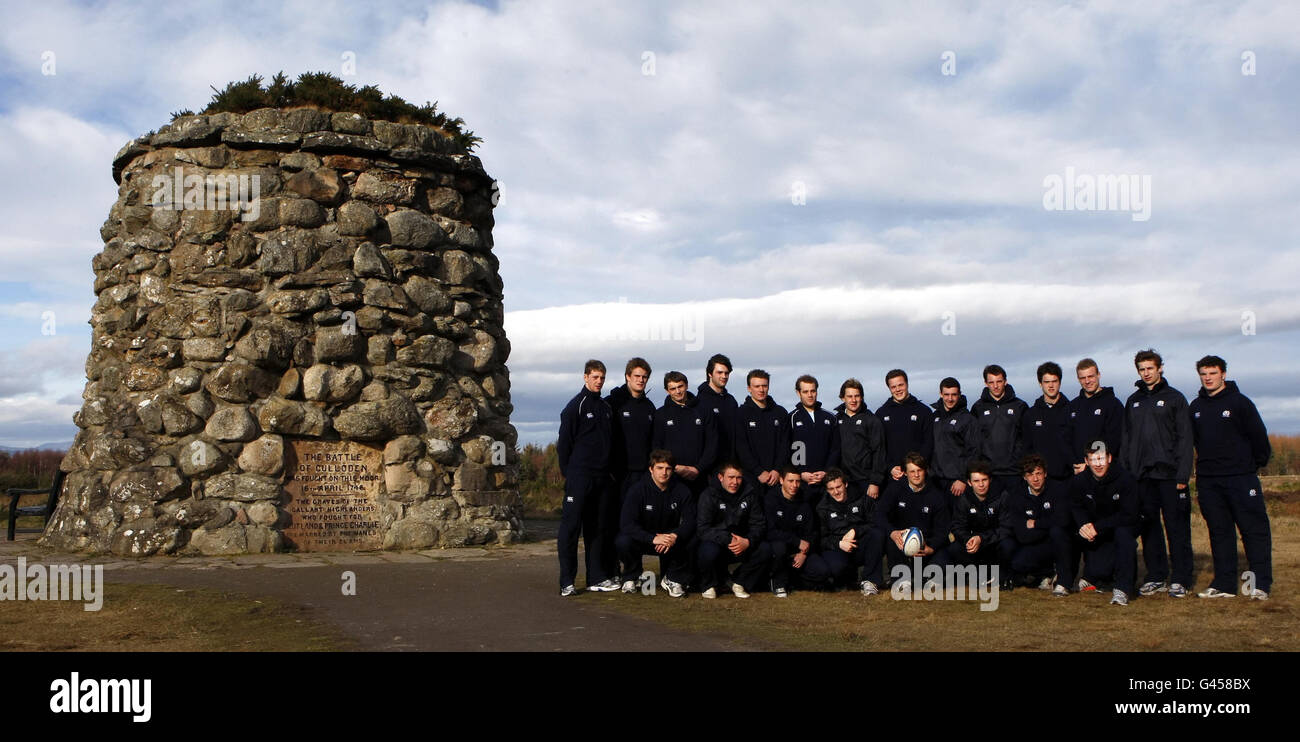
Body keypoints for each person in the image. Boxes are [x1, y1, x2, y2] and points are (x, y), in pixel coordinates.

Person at [1189, 355, 1273, 600]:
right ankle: (1224, 584)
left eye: (1212, 373)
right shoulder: (1195, 407)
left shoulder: (1240, 403)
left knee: (1253, 530)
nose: (1208, 378)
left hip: (1241, 478)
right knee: (1219, 531)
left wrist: (1250, 467)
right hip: (1209, 480)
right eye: (1204, 374)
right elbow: (1194, 441)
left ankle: (1260, 585)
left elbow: (1259, 438)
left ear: (1223, 374)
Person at [1120, 349, 1194, 598]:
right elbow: (1127, 440)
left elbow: (1185, 439)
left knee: (1177, 528)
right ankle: (1157, 576)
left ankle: (1182, 578)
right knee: (1149, 528)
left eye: (1150, 368)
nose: (1146, 373)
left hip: (1171, 476)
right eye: (1142, 369)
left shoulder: (1175, 398)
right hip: (1143, 477)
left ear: (1160, 368)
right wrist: (1128, 474)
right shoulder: (1133, 401)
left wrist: (1183, 475)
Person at [556, 360, 618, 595]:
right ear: (585, 377)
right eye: (594, 377)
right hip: (579, 477)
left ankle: (596, 577)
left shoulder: (605, 407)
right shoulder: (575, 406)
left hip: (602, 479)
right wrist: (570, 474)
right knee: (571, 529)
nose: (599, 381)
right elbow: (564, 445)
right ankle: (567, 581)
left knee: (598, 529)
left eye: (602, 377)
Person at [615, 449, 696, 598]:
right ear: (651, 469)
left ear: (672, 470)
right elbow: (626, 524)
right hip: (645, 538)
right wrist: (652, 538)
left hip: (669, 540)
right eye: (659, 468)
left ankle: (673, 578)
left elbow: (690, 521)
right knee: (623, 540)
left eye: (668, 469)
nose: (664, 472)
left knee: (693, 538)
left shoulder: (682, 491)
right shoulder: (637, 490)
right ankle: (632, 576)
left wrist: (674, 535)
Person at [1069, 441, 1140, 606]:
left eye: (1101, 458)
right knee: (1069, 530)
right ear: (1086, 461)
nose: (1098, 464)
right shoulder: (1079, 481)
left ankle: (1122, 590)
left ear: (1109, 458)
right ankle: (1070, 580)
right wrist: (1084, 525)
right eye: (1093, 460)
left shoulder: (1126, 479)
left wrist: (1097, 526)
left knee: (1124, 536)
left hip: (1121, 526)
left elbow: (1129, 514)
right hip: (1095, 530)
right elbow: (1075, 507)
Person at [605, 357, 656, 581]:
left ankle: (634, 573)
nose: (641, 380)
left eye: (644, 377)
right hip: (619, 475)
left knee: (638, 523)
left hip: (642, 475)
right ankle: (614, 571)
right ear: (628, 377)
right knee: (616, 523)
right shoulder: (614, 403)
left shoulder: (649, 407)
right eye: (637, 376)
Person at [875, 453, 951, 588]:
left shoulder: (936, 495)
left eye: (919, 470)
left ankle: (930, 578)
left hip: (927, 545)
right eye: (912, 471)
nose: (916, 475)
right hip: (901, 543)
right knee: (890, 538)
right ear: (905, 473)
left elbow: (943, 529)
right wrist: (892, 532)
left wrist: (931, 548)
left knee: (944, 558)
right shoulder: (894, 489)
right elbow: (879, 514)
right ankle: (902, 580)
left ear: (925, 471)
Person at [696, 461, 770, 598]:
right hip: (718, 542)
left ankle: (739, 582)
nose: (735, 482)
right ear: (720, 477)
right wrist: (728, 539)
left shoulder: (750, 493)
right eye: (730, 477)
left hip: (742, 543)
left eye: (738, 478)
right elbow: (702, 529)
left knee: (765, 549)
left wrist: (748, 541)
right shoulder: (708, 495)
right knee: (707, 551)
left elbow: (759, 524)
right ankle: (709, 584)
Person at [998, 454, 1071, 594]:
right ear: (1024, 477)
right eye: (1030, 474)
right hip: (1033, 544)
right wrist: (1048, 526)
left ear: (1045, 474)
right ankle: (1044, 575)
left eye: (1039, 473)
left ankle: (1064, 583)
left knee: (1058, 533)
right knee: (1018, 562)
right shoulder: (1016, 496)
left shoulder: (1058, 489)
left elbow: (1064, 520)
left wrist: (1037, 523)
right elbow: (1022, 535)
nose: (1035, 479)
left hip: (1056, 543)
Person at [653, 371, 718, 496]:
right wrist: (673, 467)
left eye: (680, 386)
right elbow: (656, 446)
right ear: (667, 391)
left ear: (686, 386)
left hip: (700, 476)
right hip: (672, 477)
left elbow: (712, 443)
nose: (677, 391)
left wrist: (698, 468)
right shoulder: (661, 414)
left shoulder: (704, 411)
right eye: (673, 388)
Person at [971, 364, 1029, 497]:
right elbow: (975, 441)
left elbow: (1026, 438)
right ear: (986, 383)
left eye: (999, 381)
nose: (995, 386)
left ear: (1005, 381)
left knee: (1015, 511)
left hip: (1014, 472)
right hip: (989, 473)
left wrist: (1019, 461)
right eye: (991, 382)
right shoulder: (978, 408)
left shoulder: (1020, 406)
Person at [948, 459, 1008, 580]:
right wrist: (968, 539)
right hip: (973, 544)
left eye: (984, 480)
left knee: (1008, 545)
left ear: (990, 480)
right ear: (969, 483)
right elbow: (957, 526)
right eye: (976, 481)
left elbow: (1006, 528)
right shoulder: (963, 499)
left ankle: (1000, 574)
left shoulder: (1002, 496)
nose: (981, 485)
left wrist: (982, 538)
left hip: (993, 542)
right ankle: (978, 573)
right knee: (954, 549)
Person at [763, 466, 816, 597]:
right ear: (781, 480)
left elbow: (812, 531)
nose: (795, 485)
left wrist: (804, 552)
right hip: (778, 544)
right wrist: (797, 542)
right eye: (790, 481)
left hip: (799, 548)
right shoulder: (771, 499)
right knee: (779, 548)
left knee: (821, 571)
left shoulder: (804, 500)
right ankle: (778, 582)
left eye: (797, 481)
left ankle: (792, 580)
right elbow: (769, 531)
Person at [789, 375, 840, 507]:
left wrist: (826, 471)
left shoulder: (830, 417)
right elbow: (792, 448)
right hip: (803, 482)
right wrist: (801, 472)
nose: (810, 395)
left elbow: (835, 449)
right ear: (798, 393)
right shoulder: (792, 418)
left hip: (826, 481)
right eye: (805, 392)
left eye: (813, 391)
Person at [735, 369, 790, 493]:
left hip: (776, 477)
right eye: (757, 386)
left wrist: (777, 470)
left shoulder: (780, 413)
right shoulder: (741, 413)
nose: (761, 390)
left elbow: (785, 444)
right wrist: (758, 471)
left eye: (764, 386)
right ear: (749, 388)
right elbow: (741, 447)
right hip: (751, 478)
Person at [835, 378, 887, 507]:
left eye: (857, 396)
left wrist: (875, 482)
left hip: (866, 481)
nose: (853, 400)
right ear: (842, 398)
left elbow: (879, 452)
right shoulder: (836, 420)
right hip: (844, 481)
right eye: (849, 396)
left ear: (862, 397)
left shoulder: (872, 420)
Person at [1068, 358, 1124, 475]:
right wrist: (1074, 464)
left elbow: (1114, 441)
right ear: (1078, 379)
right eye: (1083, 378)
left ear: (1098, 375)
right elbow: (1068, 439)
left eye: (1091, 376)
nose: (1087, 381)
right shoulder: (1072, 406)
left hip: (1104, 472)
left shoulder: (1113, 404)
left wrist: (1091, 464)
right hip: (1078, 472)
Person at [876, 369, 933, 482]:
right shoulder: (881, 413)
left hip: (918, 475)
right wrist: (890, 467)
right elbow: (879, 447)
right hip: (893, 476)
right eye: (893, 387)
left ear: (907, 384)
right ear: (889, 388)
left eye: (901, 385)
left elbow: (929, 443)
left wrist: (916, 467)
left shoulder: (923, 411)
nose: (898, 389)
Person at [929, 377, 980, 503]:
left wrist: (963, 479)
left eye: (954, 395)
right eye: (946, 394)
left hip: (956, 483)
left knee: (958, 520)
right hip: (935, 481)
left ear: (959, 395)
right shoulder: (934, 418)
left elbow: (974, 452)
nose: (950, 399)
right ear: (941, 394)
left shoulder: (968, 420)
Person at [1021, 361, 1074, 484]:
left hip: (1068, 479)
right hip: (1041, 481)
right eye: (1047, 382)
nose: (1051, 386)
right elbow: (1026, 449)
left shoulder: (1072, 410)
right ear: (1040, 384)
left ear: (1060, 382)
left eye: (1054, 381)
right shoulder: (1031, 415)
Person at [696, 353, 739, 462]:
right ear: (710, 374)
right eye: (720, 372)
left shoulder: (731, 401)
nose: (724, 376)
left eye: (726, 373)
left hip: (731, 463)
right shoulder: (700, 401)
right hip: (709, 465)